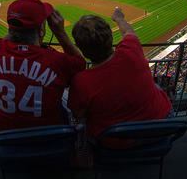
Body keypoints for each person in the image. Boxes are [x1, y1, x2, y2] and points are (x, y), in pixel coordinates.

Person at [0, 0, 85, 134]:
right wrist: (59, 32)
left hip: (0, 138)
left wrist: (16, 30)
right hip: (47, 138)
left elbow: (7, 40)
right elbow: (80, 64)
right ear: (41, 30)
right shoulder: (55, 61)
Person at [68, 8, 171, 146]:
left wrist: (61, 33)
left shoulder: (81, 81)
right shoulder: (132, 50)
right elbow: (129, 32)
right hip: (162, 129)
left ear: (83, 50)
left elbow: (78, 115)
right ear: (111, 38)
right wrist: (119, 19)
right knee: (156, 85)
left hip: (116, 144)